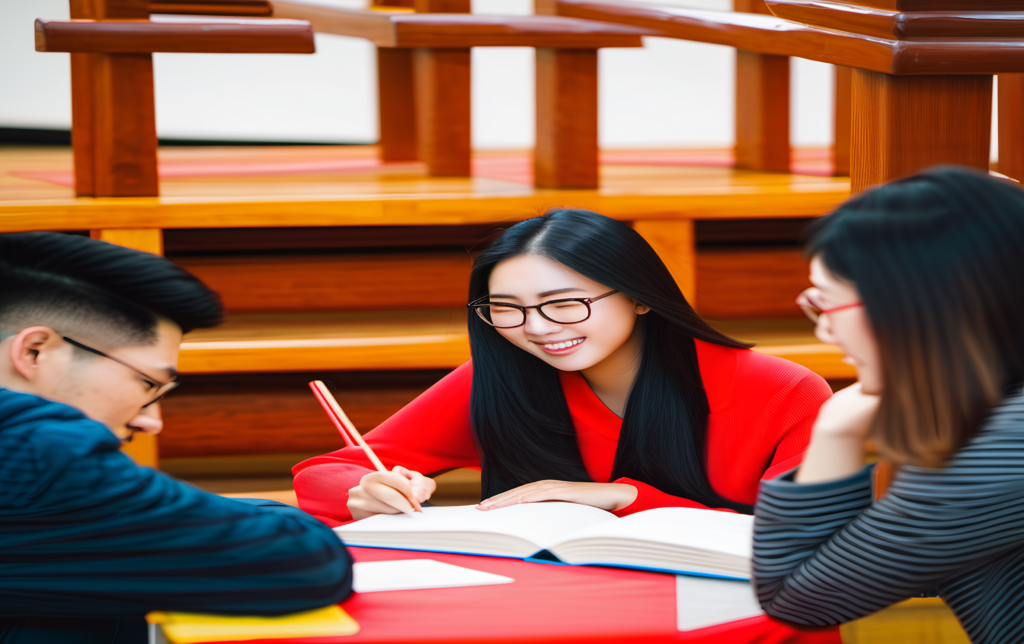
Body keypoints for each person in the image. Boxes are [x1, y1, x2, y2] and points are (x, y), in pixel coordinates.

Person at [294, 209, 833, 525]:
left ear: (640, 296)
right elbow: (320, 472)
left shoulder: (782, 391)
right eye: (505, 308)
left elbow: (810, 543)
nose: (537, 327)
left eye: (564, 302)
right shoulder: (502, 379)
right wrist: (361, 488)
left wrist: (625, 497)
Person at [0, 233, 353, 644]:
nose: (152, 422)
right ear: (36, 351)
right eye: (148, 384)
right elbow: (304, 562)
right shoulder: (39, 453)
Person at [751, 167, 1024, 644]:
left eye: (828, 303)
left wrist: (836, 428)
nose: (823, 330)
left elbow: (797, 597)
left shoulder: (999, 451)